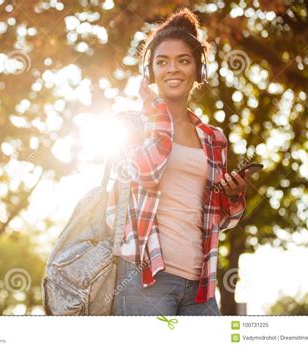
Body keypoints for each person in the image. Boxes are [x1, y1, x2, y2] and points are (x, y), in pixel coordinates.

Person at [107, 8, 251, 316]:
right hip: (145, 279)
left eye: (183, 60)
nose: (173, 69)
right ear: (150, 73)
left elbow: (221, 219)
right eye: (162, 62)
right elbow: (147, 172)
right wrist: (158, 114)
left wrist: (233, 196)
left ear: (199, 70)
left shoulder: (214, 138)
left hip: (200, 286)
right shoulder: (130, 126)